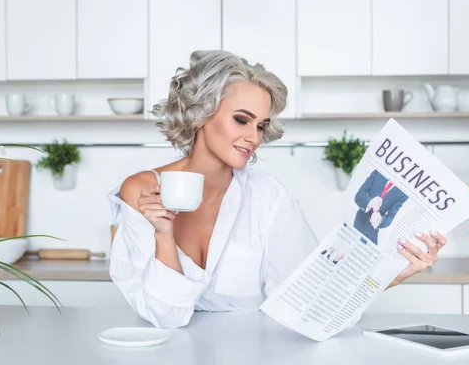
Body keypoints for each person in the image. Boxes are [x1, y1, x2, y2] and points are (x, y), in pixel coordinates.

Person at [107, 50, 447, 328]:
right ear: (200, 113)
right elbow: (164, 316)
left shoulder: (267, 196)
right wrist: (163, 235)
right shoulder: (142, 190)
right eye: (241, 119)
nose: (254, 137)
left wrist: (398, 271)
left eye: (261, 125)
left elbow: (313, 295)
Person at [354, 170, 409, 245]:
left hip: (372, 233)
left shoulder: (404, 193)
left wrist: (379, 219)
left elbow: (390, 217)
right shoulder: (379, 172)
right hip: (357, 224)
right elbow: (359, 195)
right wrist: (370, 203)